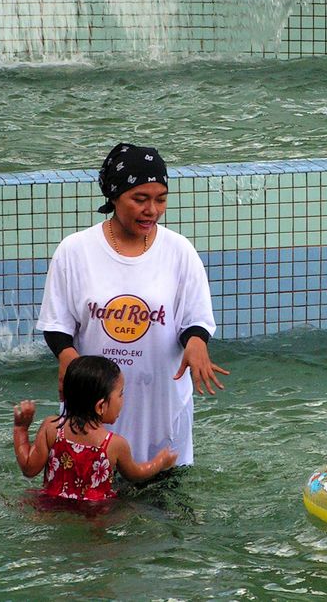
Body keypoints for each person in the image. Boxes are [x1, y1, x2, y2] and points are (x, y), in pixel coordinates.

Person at [36, 143, 227, 467]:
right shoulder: (75, 251)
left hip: (160, 406)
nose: (151, 209)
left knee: (164, 507)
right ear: (113, 195)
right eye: (140, 199)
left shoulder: (179, 252)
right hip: (92, 411)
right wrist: (68, 358)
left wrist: (196, 343)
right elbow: (57, 325)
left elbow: (195, 319)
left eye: (160, 199)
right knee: (89, 508)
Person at [13, 356, 178, 500]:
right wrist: (160, 462)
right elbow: (136, 474)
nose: (123, 399)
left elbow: (29, 468)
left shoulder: (52, 428)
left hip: (51, 505)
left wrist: (21, 429)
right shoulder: (115, 444)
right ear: (100, 406)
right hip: (96, 515)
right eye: (120, 394)